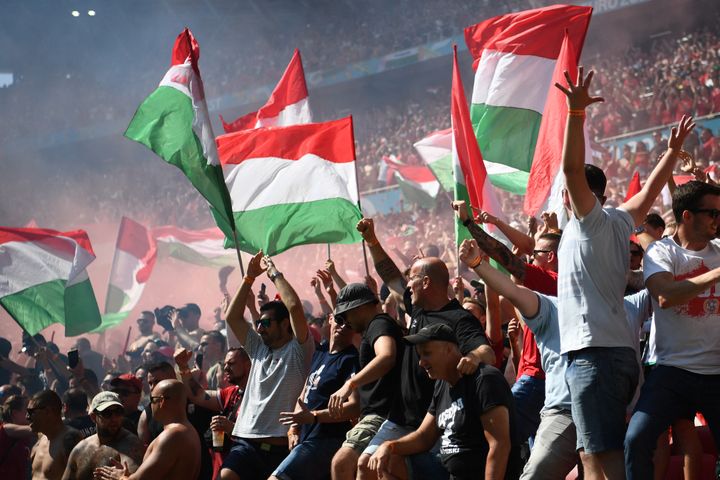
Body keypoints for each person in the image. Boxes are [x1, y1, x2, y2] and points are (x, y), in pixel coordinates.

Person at [554, 68, 695, 478]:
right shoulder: (618, 220)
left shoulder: (589, 220)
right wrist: (671, 154)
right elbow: (651, 190)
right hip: (612, 354)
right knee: (592, 458)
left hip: (594, 355)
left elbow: (570, 169)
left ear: (574, 196)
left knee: (605, 461)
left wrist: (576, 113)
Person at [355, 217, 495, 479]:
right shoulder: (417, 308)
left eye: (413, 280)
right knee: (366, 466)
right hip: (400, 417)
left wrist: (473, 358)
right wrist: (373, 242)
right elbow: (391, 277)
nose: (407, 285)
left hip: (434, 422)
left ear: (427, 283)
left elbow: (486, 352)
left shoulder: (458, 318)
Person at [625, 180, 720, 478]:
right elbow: (665, 296)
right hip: (672, 373)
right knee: (636, 439)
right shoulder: (661, 252)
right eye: (712, 214)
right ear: (687, 216)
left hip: (716, 372)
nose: (718, 220)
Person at [368, 324, 519, 480]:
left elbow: (499, 445)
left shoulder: (484, 379)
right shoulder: (442, 385)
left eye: (426, 354)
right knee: (389, 459)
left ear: (449, 350)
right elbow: (424, 437)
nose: (421, 362)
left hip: (479, 474)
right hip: (448, 472)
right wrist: (389, 446)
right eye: (420, 356)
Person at [221, 252, 315, 480]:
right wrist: (248, 278)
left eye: (265, 323)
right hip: (246, 444)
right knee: (226, 476)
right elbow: (232, 317)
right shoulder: (258, 349)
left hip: (282, 448)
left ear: (285, 325)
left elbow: (293, 307)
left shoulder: (299, 349)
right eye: (258, 323)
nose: (259, 328)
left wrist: (273, 273)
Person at [272, 312, 361, 480]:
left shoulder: (351, 359)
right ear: (330, 319)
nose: (342, 327)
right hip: (306, 438)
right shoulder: (320, 352)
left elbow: (355, 407)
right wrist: (293, 428)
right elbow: (305, 391)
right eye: (339, 320)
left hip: (327, 440)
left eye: (349, 325)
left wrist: (313, 417)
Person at [328, 284, 402, 480]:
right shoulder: (373, 327)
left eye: (346, 316)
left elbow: (387, 355)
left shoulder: (378, 323)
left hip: (383, 415)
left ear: (360, 308)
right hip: (380, 415)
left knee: (342, 462)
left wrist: (350, 384)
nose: (345, 323)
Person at [94, 379, 201, 480]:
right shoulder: (188, 430)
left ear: (162, 401)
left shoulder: (172, 435)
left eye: (152, 400)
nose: (150, 406)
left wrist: (120, 477)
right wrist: (128, 476)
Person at [62, 391, 145, 480]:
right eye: (107, 413)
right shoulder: (81, 448)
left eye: (118, 412)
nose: (114, 418)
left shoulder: (132, 446)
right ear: (93, 417)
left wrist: (124, 477)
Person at [28, 390, 84, 480]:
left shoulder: (70, 439)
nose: (27, 416)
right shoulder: (40, 441)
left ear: (47, 411)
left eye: (31, 412)